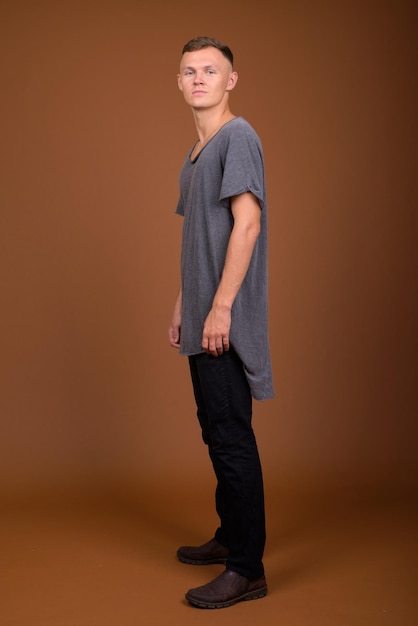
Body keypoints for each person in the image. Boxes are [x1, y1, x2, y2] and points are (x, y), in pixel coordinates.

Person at [168, 36, 274, 609]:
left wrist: (220, 308)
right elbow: (197, 242)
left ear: (231, 80)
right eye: (189, 71)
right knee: (215, 429)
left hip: (225, 320)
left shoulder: (239, 138)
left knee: (232, 438)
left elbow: (247, 226)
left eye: (211, 70)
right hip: (205, 316)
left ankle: (247, 568)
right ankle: (230, 534)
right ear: (179, 83)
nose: (199, 78)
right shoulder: (196, 152)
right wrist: (184, 304)